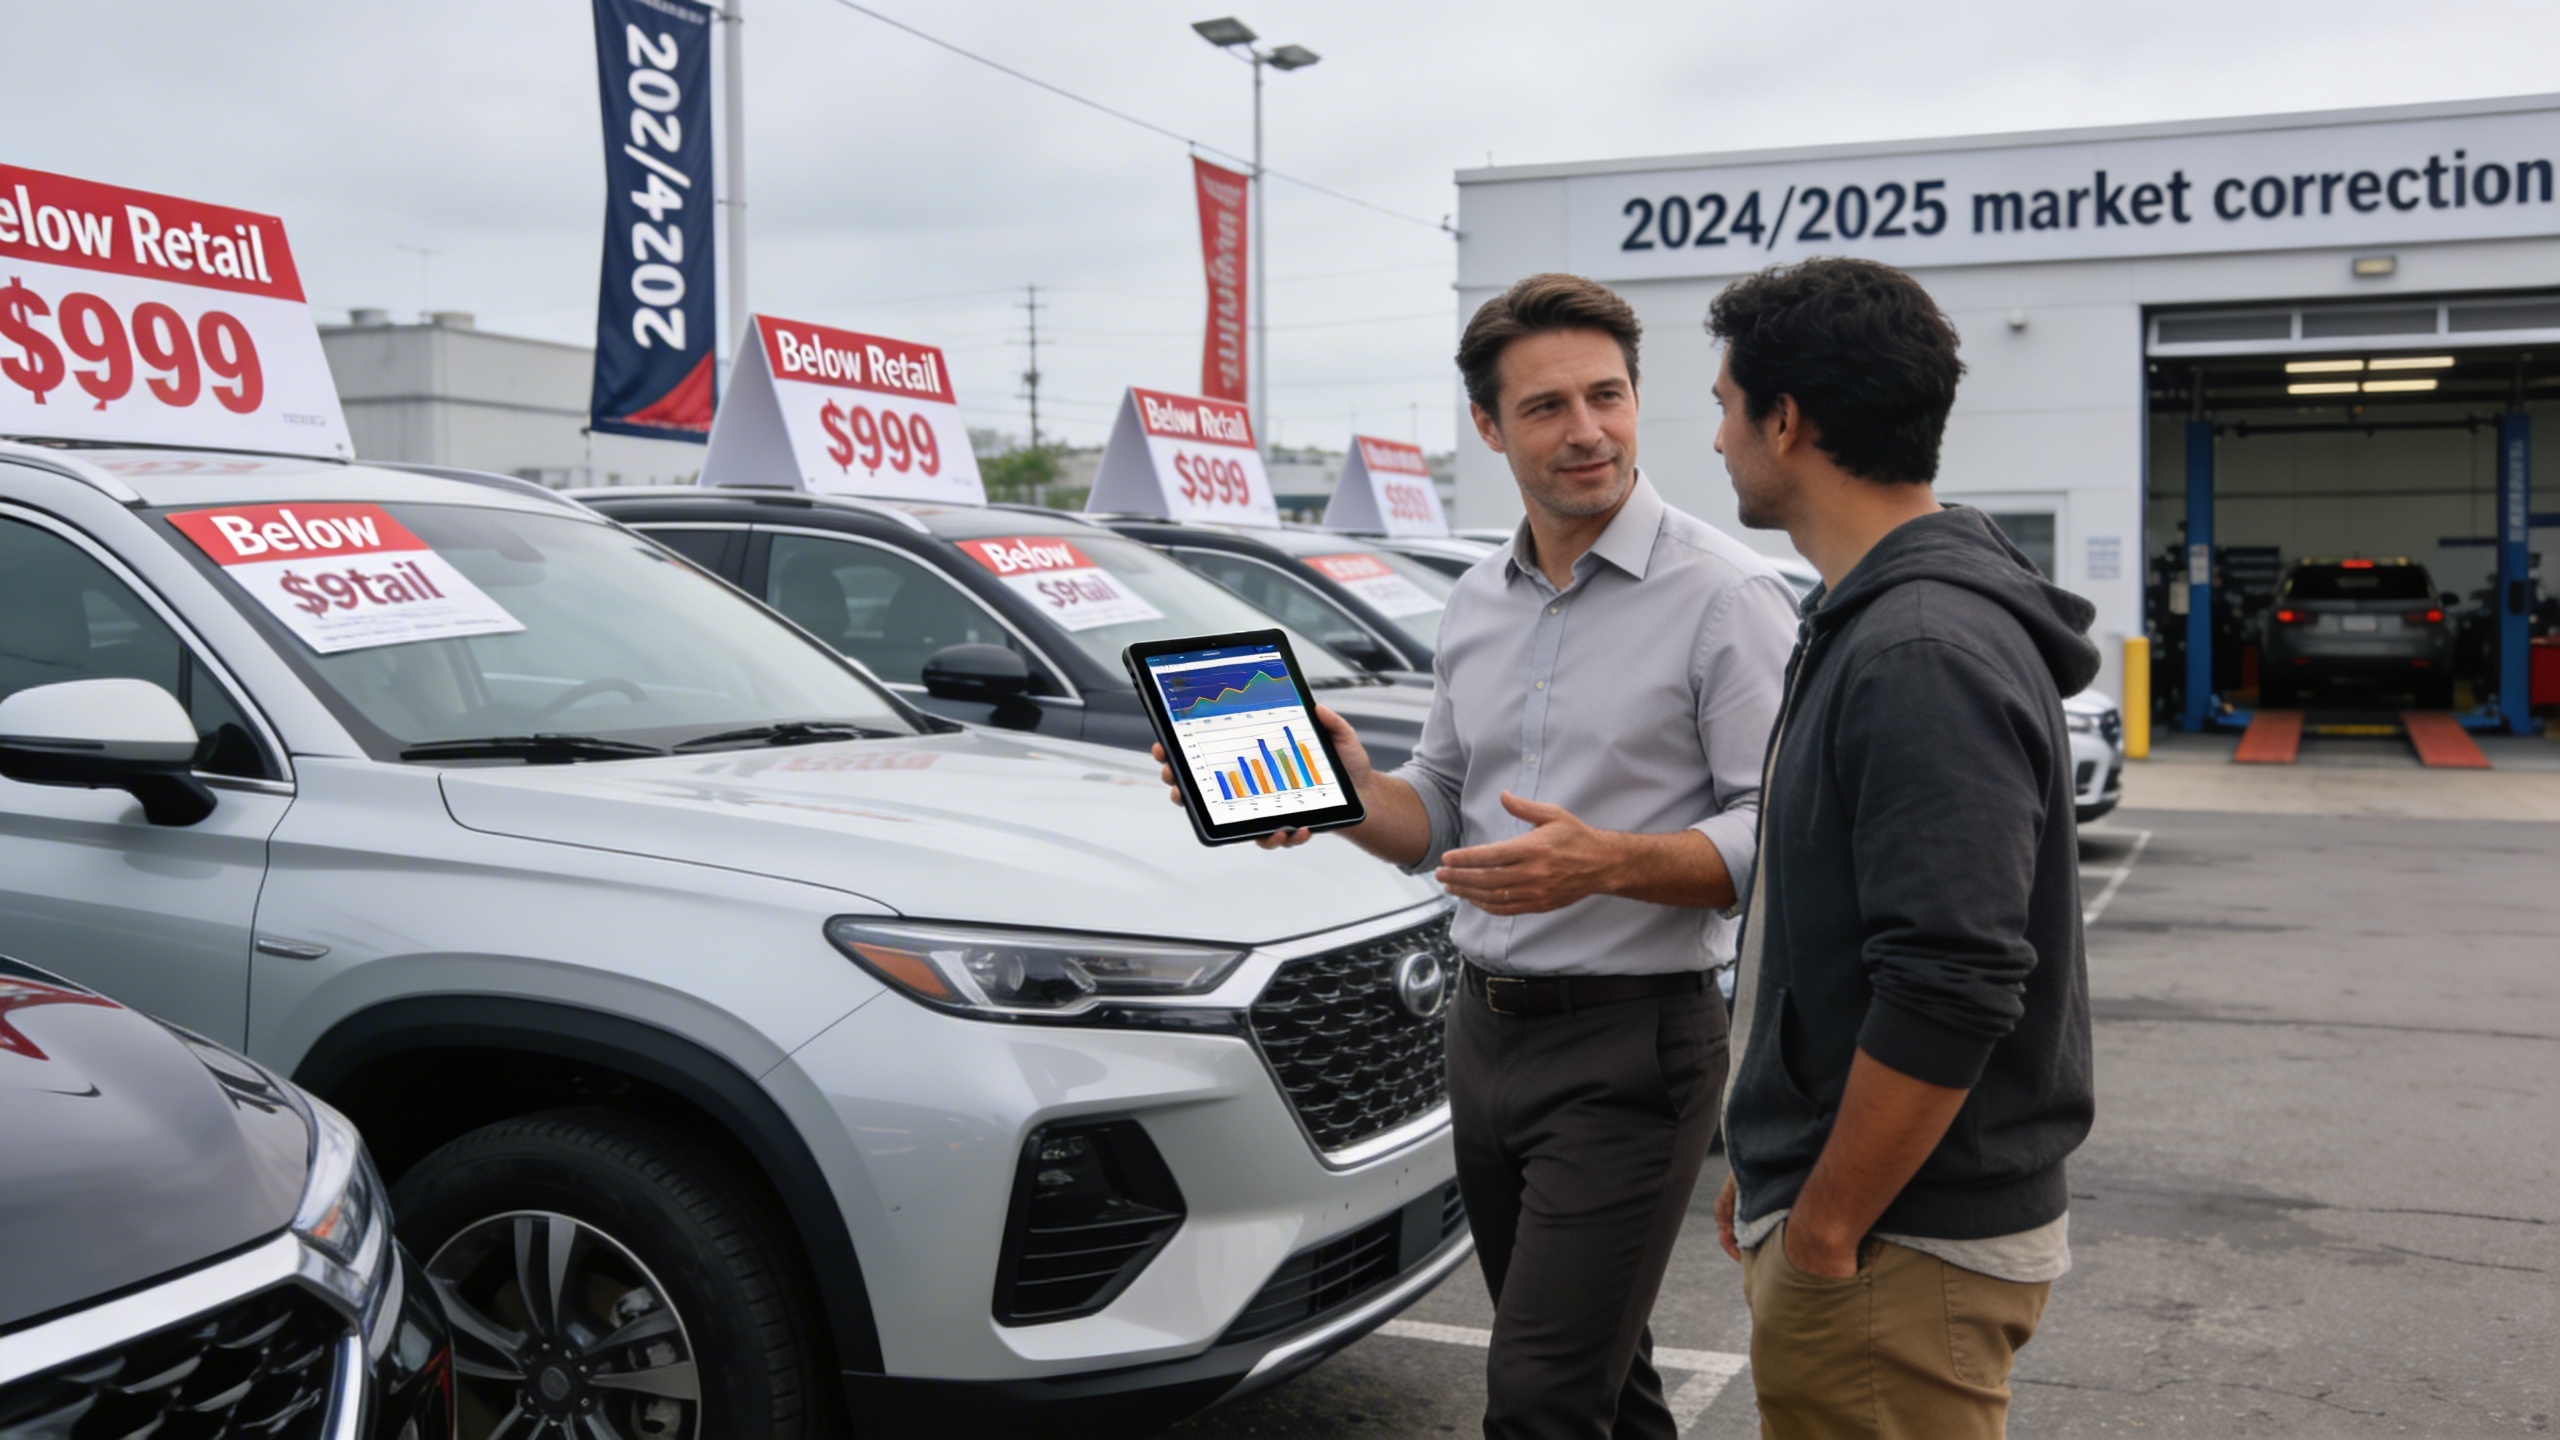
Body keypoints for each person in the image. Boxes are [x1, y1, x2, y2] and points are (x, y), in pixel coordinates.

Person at [1159, 272, 1795, 1439]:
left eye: (1606, 396)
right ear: (1490, 428)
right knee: (1604, 1376)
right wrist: (1347, 794)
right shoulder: (1475, 602)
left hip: (1632, 1049)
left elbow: (1784, 834)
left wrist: (1607, 865)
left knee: (1540, 1396)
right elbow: (1441, 812)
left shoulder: (1726, 597)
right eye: (1546, 407)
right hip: (1482, 1038)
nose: (1586, 430)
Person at [1703, 257, 2098, 1439]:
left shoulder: (1916, 648)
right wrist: (1780, 1155)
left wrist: (1825, 1221)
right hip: (1876, 1217)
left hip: (1897, 1242)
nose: (1715, 437)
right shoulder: (1879, 614)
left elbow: (1950, 981)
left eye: (1725, 406)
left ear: (1787, 420)